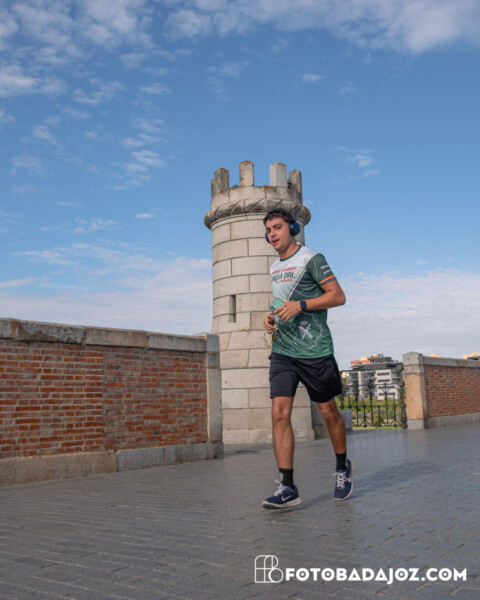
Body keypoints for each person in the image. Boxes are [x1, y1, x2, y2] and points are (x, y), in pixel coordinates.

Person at [262, 208, 353, 509]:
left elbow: (337, 296)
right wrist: (272, 317)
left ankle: (342, 467)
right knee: (279, 413)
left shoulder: (312, 259)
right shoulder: (274, 267)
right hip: (283, 350)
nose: (272, 234)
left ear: (292, 228)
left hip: (314, 351)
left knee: (328, 412)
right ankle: (287, 486)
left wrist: (301, 305)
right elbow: (282, 302)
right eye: (268, 230)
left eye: (277, 227)